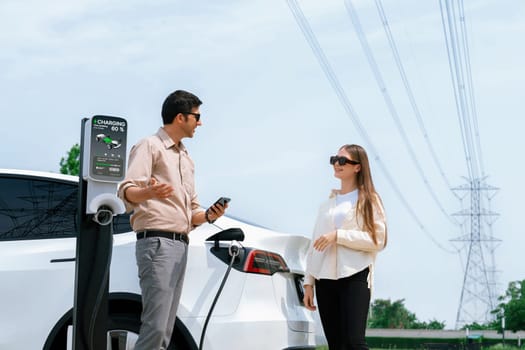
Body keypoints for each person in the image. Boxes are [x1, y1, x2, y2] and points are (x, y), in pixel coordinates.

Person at [118, 89, 228, 350]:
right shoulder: (149, 146)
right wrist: (149, 192)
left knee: (165, 329)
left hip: (180, 245)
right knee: (155, 327)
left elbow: (192, 213)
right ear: (181, 117)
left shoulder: (186, 159)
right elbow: (126, 192)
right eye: (196, 116)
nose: (200, 123)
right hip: (157, 243)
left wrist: (210, 216)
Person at [303, 144, 387, 350]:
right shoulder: (326, 205)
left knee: (354, 343)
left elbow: (378, 240)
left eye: (342, 160)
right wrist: (308, 283)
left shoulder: (369, 200)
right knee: (336, 345)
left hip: (355, 275)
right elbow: (315, 245)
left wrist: (338, 236)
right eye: (334, 159)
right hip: (324, 280)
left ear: (357, 167)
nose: (336, 164)